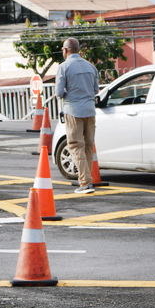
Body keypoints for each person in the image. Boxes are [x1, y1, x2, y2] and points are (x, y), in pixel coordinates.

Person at [55, 38, 100, 193]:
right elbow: (95, 90)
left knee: (75, 145)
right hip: (89, 110)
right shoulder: (91, 66)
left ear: (66, 49)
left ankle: (85, 183)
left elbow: (59, 92)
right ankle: (88, 180)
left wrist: (71, 94)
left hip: (73, 110)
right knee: (88, 144)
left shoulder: (63, 67)